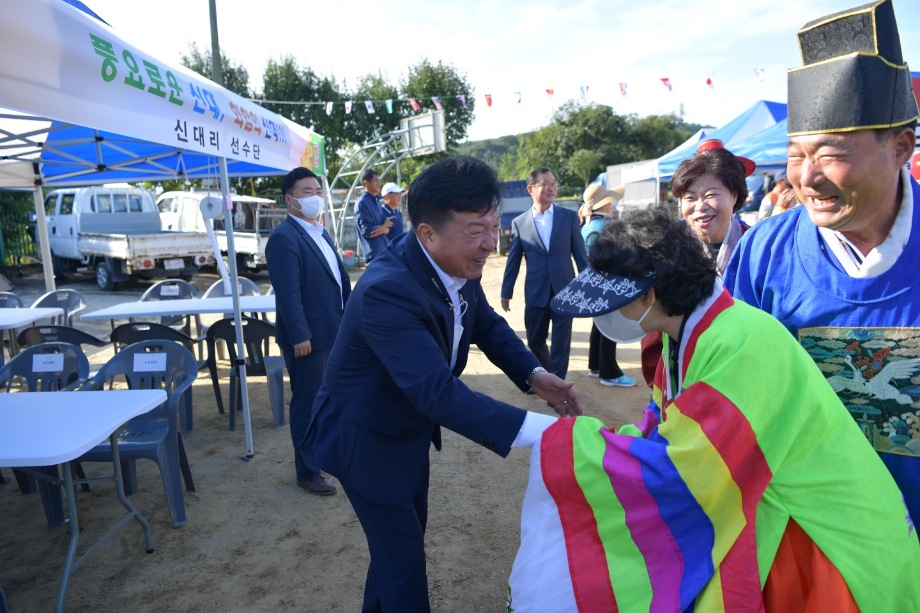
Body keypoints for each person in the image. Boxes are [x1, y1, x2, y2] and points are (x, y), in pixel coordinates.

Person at [507, 208, 920, 612]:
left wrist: (563, 443)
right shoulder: (682, 332)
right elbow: (665, 428)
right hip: (779, 515)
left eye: (615, 300)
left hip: (821, 540)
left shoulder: (742, 341)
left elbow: (687, 468)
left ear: (649, 295)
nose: (610, 314)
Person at [307, 156, 583, 612]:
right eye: (475, 230)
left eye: (495, 227)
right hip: (366, 441)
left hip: (406, 433)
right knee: (404, 566)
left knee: (397, 551)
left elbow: (486, 324)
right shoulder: (386, 289)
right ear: (427, 233)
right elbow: (437, 393)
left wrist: (534, 375)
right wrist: (549, 434)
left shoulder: (454, 264)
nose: (489, 245)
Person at [724, 0, 920, 525]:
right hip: (806, 541)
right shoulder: (764, 252)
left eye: (831, 153)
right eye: (796, 154)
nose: (806, 178)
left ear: (901, 147)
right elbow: (731, 387)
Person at [265, 167, 351, 495]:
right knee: (308, 403)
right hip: (309, 340)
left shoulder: (320, 231)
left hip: (335, 330)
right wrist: (300, 334)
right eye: (306, 191)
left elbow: (338, 281)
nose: (315, 196)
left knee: (331, 398)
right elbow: (288, 293)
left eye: (318, 190)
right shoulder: (284, 238)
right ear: (289, 200)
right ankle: (308, 470)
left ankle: (328, 455)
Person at [639, 139, 753, 386]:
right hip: (683, 380)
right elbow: (654, 329)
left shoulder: (758, 246)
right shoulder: (666, 252)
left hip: (747, 379)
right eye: (689, 197)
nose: (700, 206)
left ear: (735, 195)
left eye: (711, 195)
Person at [500, 168, 588, 380]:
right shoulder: (520, 223)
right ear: (531, 189)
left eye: (554, 183)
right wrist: (506, 291)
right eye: (545, 184)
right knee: (535, 340)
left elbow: (580, 255)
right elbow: (513, 260)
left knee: (561, 343)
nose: (551, 188)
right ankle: (546, 377)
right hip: (536, 291)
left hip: (565, 290)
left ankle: (557, 382)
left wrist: (588, 287)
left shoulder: (568, 218)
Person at [579, 183, 635, 387]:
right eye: (610, 201)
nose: (613, 204)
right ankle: (609, 373)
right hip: (607, 283)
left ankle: (595, 365)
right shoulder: (605, 227)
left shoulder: (587, 225)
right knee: (610, 328)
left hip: (592, 283)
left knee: (599, 325)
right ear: (603, 205)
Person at [354, 168, 392, 264]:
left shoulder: (377, 202)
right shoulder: (362, 203)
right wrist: (384, 228)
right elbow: (368, 231)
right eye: (376, 181)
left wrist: (384, 228)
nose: (379, 183)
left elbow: (387, 228)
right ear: (366, 183)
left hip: (384, 253)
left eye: (379, 181)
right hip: (374, 257)